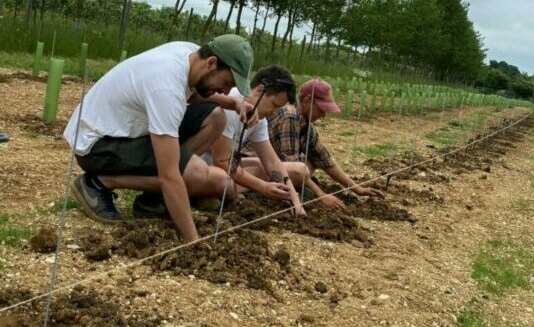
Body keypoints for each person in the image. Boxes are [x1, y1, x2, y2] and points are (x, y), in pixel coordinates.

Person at [65, 34, 254, 241]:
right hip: (97, 145)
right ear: (211, 63)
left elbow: (193, 92)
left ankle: (156, 198)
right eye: (226, 82)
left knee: (216, 117)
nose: (226, 90)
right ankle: (98, 183)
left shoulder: (189, 53)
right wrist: (194, 241)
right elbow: (169, 175)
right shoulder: (165, 86)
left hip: (122, 130)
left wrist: (232, 103)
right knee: (195, 173)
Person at [267, 79, 384, 209]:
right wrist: (322, 195)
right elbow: (294, 169)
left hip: (279, 169)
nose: (323, 116)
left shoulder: (307, 126)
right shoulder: (289, 116)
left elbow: (325, 160)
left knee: (310, 162)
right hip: (260, 168)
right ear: (306, 101)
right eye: (321, 109)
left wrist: (358, 189)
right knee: (303, 176)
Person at [208, 65, 306, 216]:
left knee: (297, 170)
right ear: (260, 91)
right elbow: (223, 162)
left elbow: (272, 161)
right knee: (224, 183)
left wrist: (295, 200)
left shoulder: (259, 118)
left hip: (224, 166)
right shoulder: (230, 106)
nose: (274, 112)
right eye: (274, 105)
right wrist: (263, 187)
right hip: (207, 166)